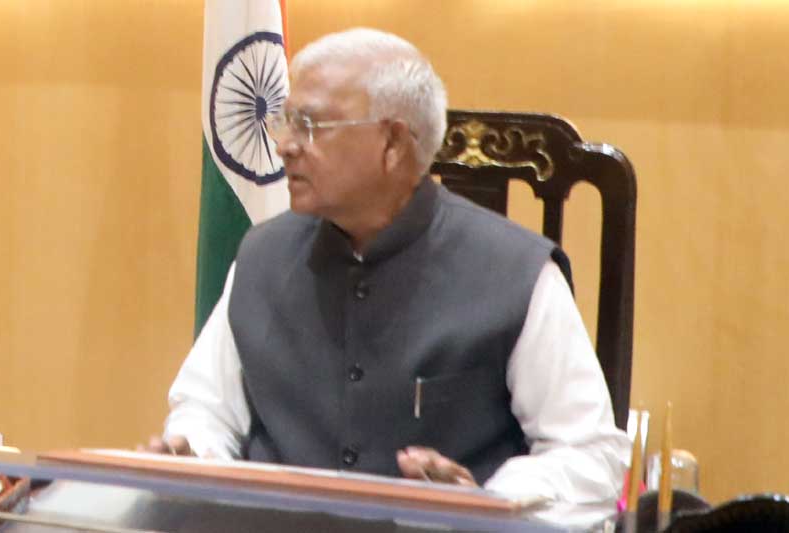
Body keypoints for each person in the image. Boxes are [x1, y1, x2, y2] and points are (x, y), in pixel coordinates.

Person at [149, 27, 629, 527]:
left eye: (309, 125)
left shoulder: (518, 272)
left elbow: (589, 454)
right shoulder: (261, 255)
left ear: (394, 143)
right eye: (286, 122)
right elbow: (207, 409)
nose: (285, 146)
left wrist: (486, 502)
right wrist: (193, 456)